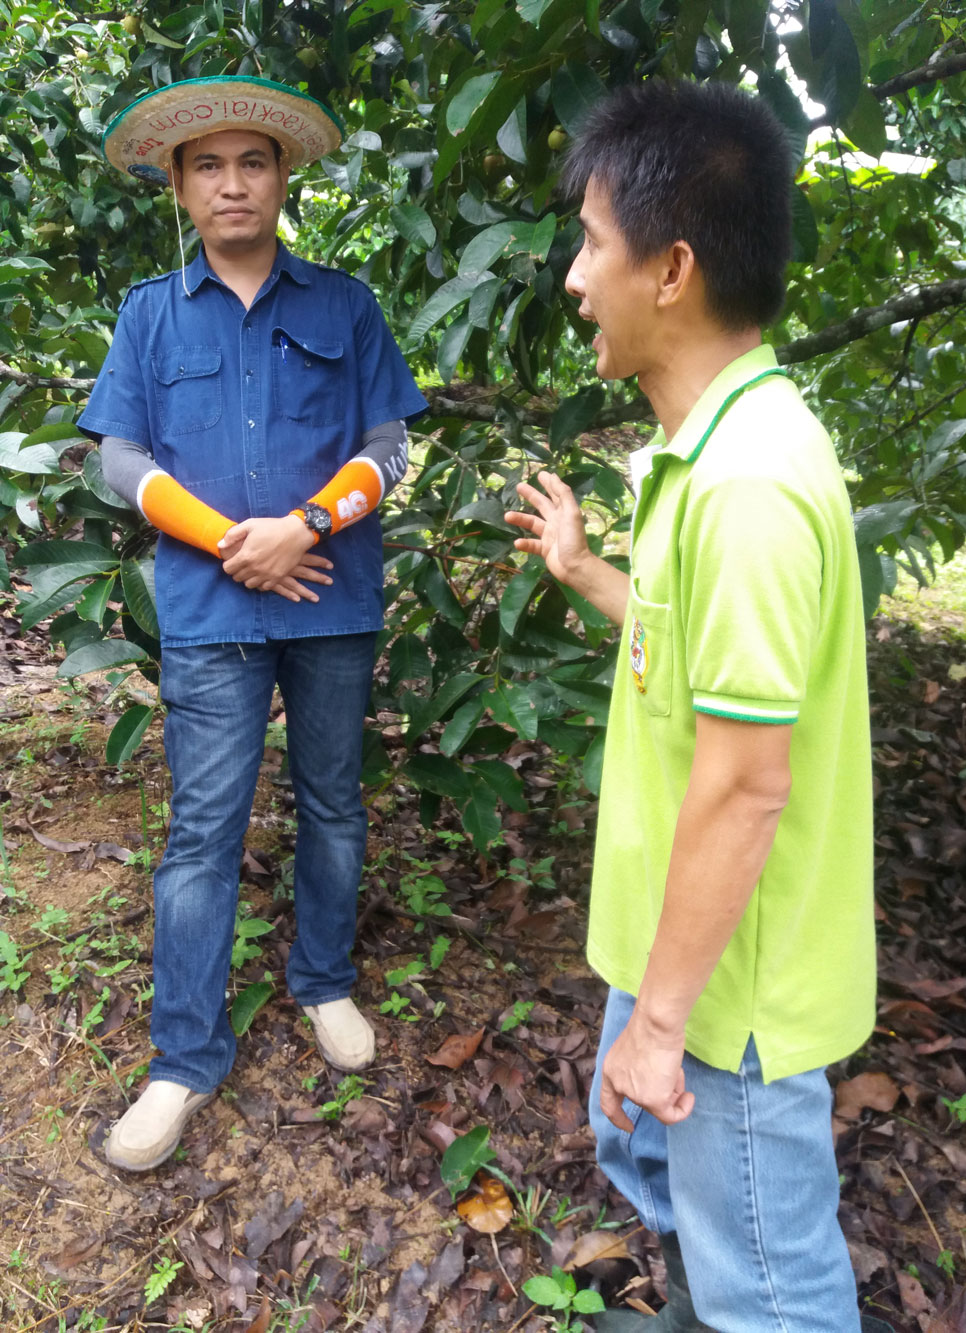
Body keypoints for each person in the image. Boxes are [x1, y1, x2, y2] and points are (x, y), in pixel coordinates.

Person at [506, 80, 880, 1332]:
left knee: (773, 1291)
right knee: (703, 1232)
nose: (572, 279)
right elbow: (690, 658)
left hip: (732, 998)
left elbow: (747, 781)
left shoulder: (747, 489)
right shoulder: (707, 453)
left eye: (591, 245)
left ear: (668, 270)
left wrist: (660, 1025)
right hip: (690, 954)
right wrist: (584, 571)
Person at [78, 77, 427, 1172]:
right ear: (179, 186)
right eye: (208, 165)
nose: (233, 183)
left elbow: (390, 446)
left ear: (283, 178)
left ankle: (323, 982)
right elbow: (118, 457)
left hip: (330, 599)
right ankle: (183, 1054)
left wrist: (309, 523)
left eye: (254, 162)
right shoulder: (148, 313)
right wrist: (236, 538)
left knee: (331, 801)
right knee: (202, 834)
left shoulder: (345, 304)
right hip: (208, 608)